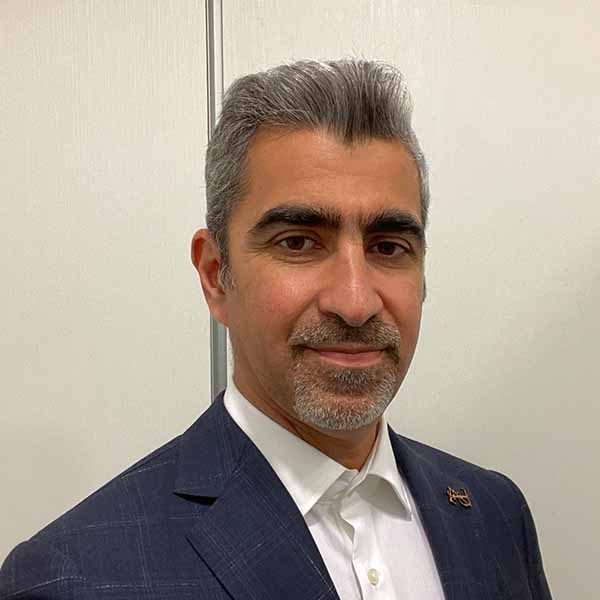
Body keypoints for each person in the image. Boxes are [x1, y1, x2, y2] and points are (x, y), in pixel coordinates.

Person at [0, 59, 552, 600]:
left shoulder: (495, 516)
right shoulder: (72, 578)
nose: (355, 302)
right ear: (216, 275)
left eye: (389, 247)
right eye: (298, 242)